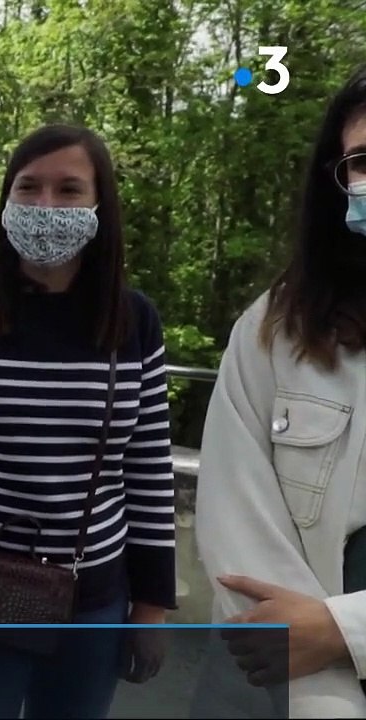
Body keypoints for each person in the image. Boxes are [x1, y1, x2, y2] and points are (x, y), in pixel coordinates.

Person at [0, 124, 175, 719]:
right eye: (28, 187)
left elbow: (148, 467)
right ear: (7, 200)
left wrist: (151, 605)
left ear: (100, 204)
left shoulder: (133, 322)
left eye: (69, 189)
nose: (46, 204)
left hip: (93, 601)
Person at [193, 67, 366, 718]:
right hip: (278, 689)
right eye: (363, 161)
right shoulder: (275, 330)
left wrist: (345, 633)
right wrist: (325, 685)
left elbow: (327, 634)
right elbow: (236, 520)